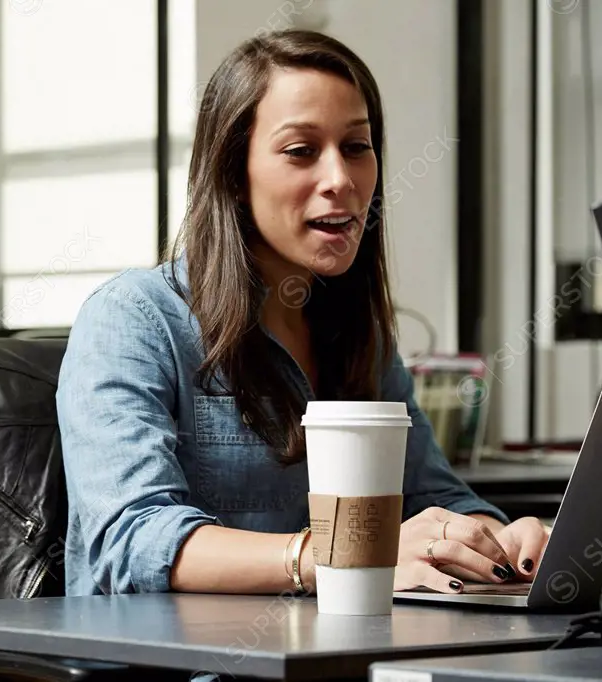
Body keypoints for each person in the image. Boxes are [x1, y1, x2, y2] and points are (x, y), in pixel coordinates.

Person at [55, 29, 550, 598]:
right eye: (301, 151)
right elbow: (132, 539)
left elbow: (428, 496)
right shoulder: (135, 318)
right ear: (234, 175)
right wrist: (336, 556)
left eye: (357, 147)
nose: (340, 179)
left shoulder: (362, 335)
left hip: (335, 651)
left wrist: (495, 539)